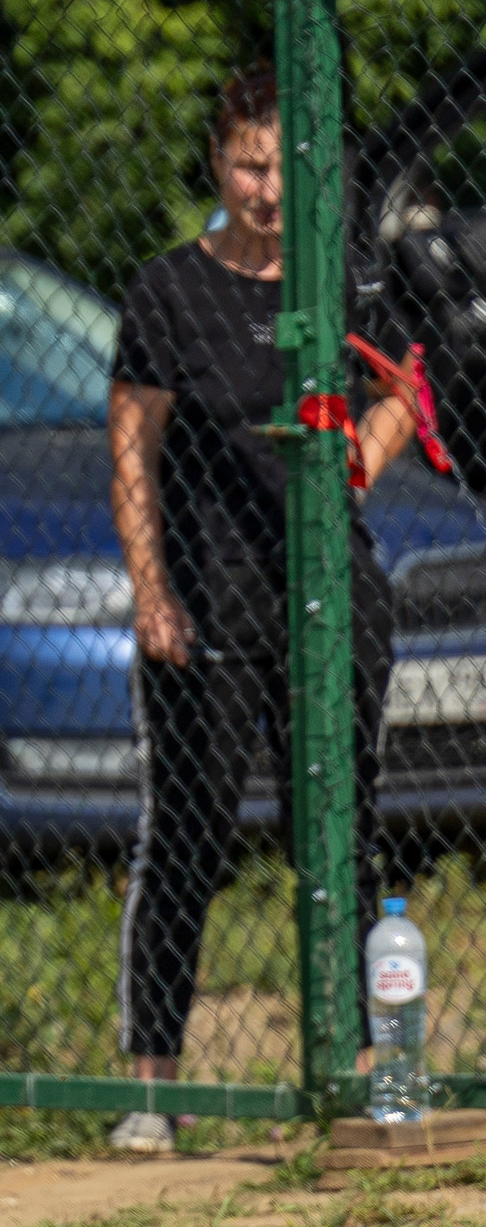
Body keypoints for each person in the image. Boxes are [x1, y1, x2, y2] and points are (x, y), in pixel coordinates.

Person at [107, 68, 419, 1152]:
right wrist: (151, 592)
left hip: (332, 598)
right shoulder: (167, 293)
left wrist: (359, 468)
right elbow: (131, 457)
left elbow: (398, 393)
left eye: (285, 167)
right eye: (248, 163)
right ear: (217, 163)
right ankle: (152, 1083)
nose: (267, 189)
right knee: (187, 836)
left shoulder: (338, 283)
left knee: (335, 826)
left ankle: (364, 1076)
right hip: (208, 603)